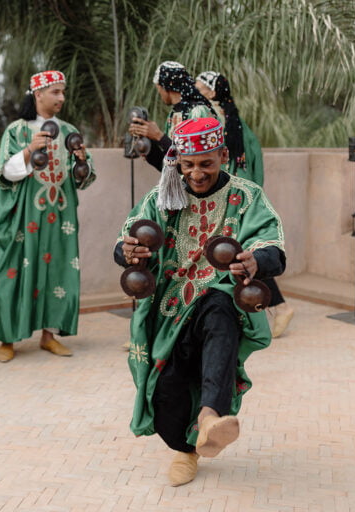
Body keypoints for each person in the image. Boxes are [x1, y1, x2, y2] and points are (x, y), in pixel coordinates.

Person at [114, 118, 285, 486]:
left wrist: (256, 260)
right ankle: (186, 448)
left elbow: (273, 246)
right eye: (188, 164)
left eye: (206, 163)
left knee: (220, 318)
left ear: (223, 155)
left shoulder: (247, 196)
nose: (196, 173)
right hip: (169, 308)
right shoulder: (161, 196)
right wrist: (127, 251)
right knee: (166, 390)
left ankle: (209, 418)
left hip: (217, 296)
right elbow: (125, 240)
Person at [0, 70, 96, 362]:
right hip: (24, 217)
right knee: (13, 271)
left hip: (60, 216)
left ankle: (49, 336)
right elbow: (6, 173)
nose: (62, 98)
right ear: (38, 95)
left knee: (58, 270)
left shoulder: (69, 130)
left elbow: (83, 178)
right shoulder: (17, 130)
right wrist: (29, 150)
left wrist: (82, 162)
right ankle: (7, 339)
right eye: (56, 92)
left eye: (63, 92)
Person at [195, 71, 294, 337]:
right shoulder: (237, 123)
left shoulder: (214, 123)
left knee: (240, 256)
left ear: (212, 92)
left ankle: (279, 307)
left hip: (229, 200)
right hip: (239, 199)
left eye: (201, 88)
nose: (196, 92)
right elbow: (255, 165)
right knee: (240, 254)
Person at [128, 61, 217, 172]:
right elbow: (169, 166)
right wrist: (148, 142)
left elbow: (196, 160)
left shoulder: (198, 112)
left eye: (158, 89)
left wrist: (159, 136)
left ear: (165, 87)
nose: (160, 94)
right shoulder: (173, 115)